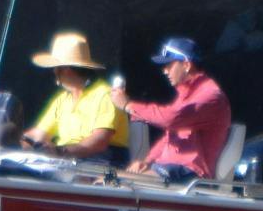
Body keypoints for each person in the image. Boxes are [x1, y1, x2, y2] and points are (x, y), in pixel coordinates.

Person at [111, 36, 232, 184]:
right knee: (109, 180)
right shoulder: (188, 92)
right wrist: (148, 160)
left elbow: (169, 119)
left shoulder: (210, 96)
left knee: (114, 181)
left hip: (190, 172)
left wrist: (128, 105)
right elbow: (171, 135)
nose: (165, 71)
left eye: (169, 65)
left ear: (186, 65)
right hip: (172, 169)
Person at [19, 31, 129, 165]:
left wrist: (59, 152)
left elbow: (99, 142)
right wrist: (18, 141)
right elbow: (39, 134)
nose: (53, 71)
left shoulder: (106, 95)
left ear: (66, 69)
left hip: (101, 166)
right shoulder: (62, 100)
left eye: (55, 67)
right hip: (69, 163)